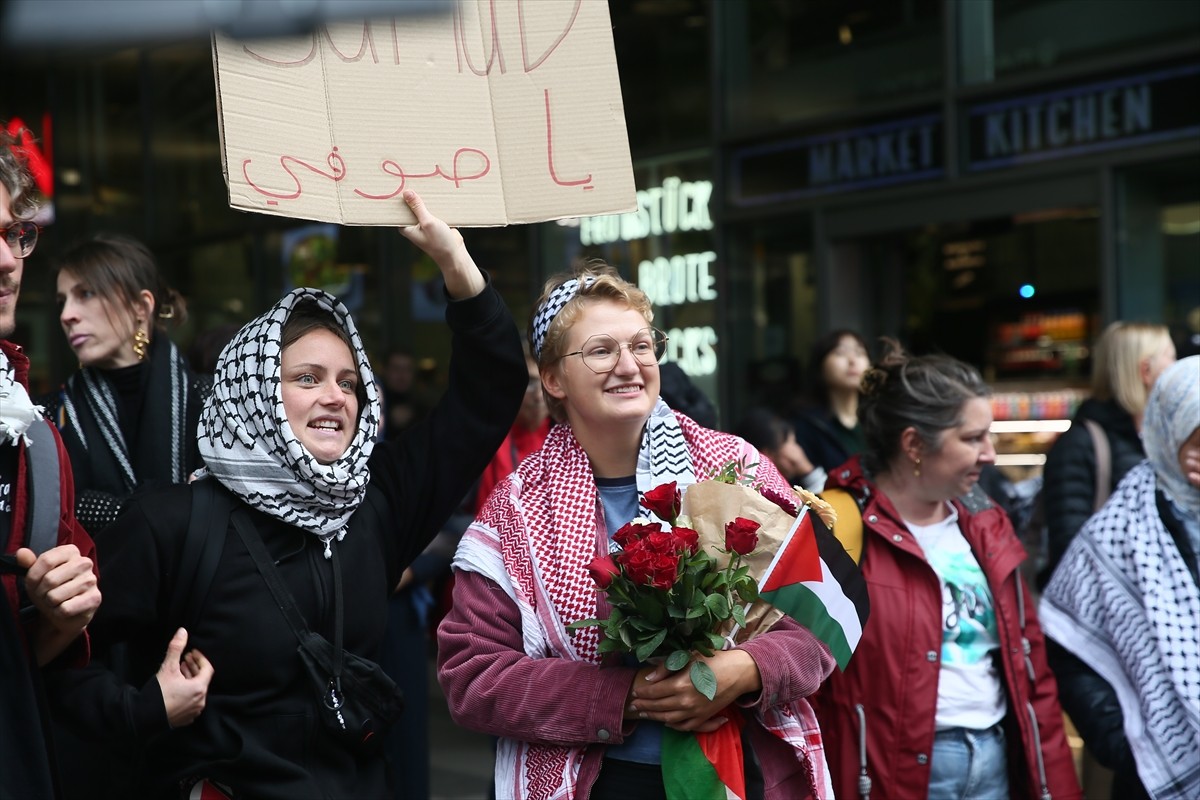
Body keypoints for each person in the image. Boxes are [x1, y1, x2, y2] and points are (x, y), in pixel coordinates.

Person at [48, 189, 527, 799]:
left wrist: (456, 263)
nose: (336, 397)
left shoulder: (374, 508)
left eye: (350, 382)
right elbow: (53, 654)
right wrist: (144, 709)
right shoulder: (175, 523)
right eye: (307, 378)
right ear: (256, 394)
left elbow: (487, 393)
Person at [437, 264, 838, 799]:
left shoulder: (737, 467)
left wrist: (743, 670)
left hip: (743, 770)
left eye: (642, 346)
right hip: (597, 783)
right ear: (553, 378)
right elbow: (473, 678)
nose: (629, 366)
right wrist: (625, 695)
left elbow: (826, 621)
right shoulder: (517, 510)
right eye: (601, 350)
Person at [814, 341, 1080, 800]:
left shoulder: (985, 519)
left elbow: (1031, 667)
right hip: (888, 773)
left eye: (990, 435)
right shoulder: (839, 523)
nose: (991, 454)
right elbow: (807, 678)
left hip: (996, 757)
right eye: (973, 438)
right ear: (914, 444)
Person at [1040, 355, 1200, 800]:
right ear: (1168, 436)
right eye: (1198, 441)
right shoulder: (1123, 527)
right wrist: (1122, 741)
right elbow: (1070, 639)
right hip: (1154, 773)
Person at [1, 126, 102, 799]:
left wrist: (64, 613)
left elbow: (28, 660)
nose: (8, 260)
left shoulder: (37, 438)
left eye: (16, 235)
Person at [40, 234, 210, 534]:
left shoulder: (209, 400)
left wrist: (111, 509)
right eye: (62, 301)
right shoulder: (52, 415)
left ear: (140, 307)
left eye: (86, 294)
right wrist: (171, 507)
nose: (67, 315)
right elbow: (60, 511)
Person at [1038, 321, 1176, 587]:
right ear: (1146, 371)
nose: (1177, 367)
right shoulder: (1080, 444)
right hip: (1111, 610)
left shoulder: (1163, 439)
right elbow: (1070, 550)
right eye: (1170, 357)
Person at [472, 345, 551, 514]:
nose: (538, 396)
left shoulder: (568, 440)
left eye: (546, 383)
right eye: (530, 383)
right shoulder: (486, 440)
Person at [790, 329, 870, 489]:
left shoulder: (880, 421)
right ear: (820, 366)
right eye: (840, 353)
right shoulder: (804, 426)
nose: (852, 360)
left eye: (860, 353)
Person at [733, 406, 824, 493]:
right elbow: (826, 504)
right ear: (767, 454)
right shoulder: (768, 494)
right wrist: (808, 470)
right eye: (792, 442)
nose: (798, 450)